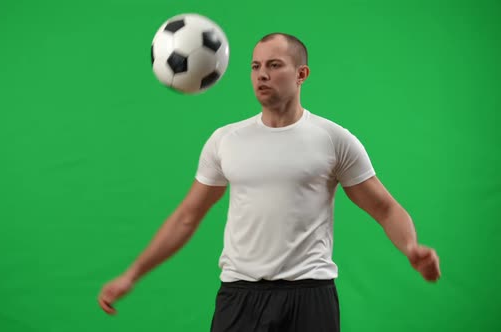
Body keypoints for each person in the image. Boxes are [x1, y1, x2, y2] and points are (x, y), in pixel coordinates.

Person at [97, 32, 441, 331]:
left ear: (301, 73)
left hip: (311, 296)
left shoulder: (334, 139)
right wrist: (132, 275)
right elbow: (187, 217)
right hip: (240, 295)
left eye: (274, 65)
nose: (262, 75)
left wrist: (411, 247)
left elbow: (384, 208)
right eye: (255, 66)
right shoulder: (225, 140)